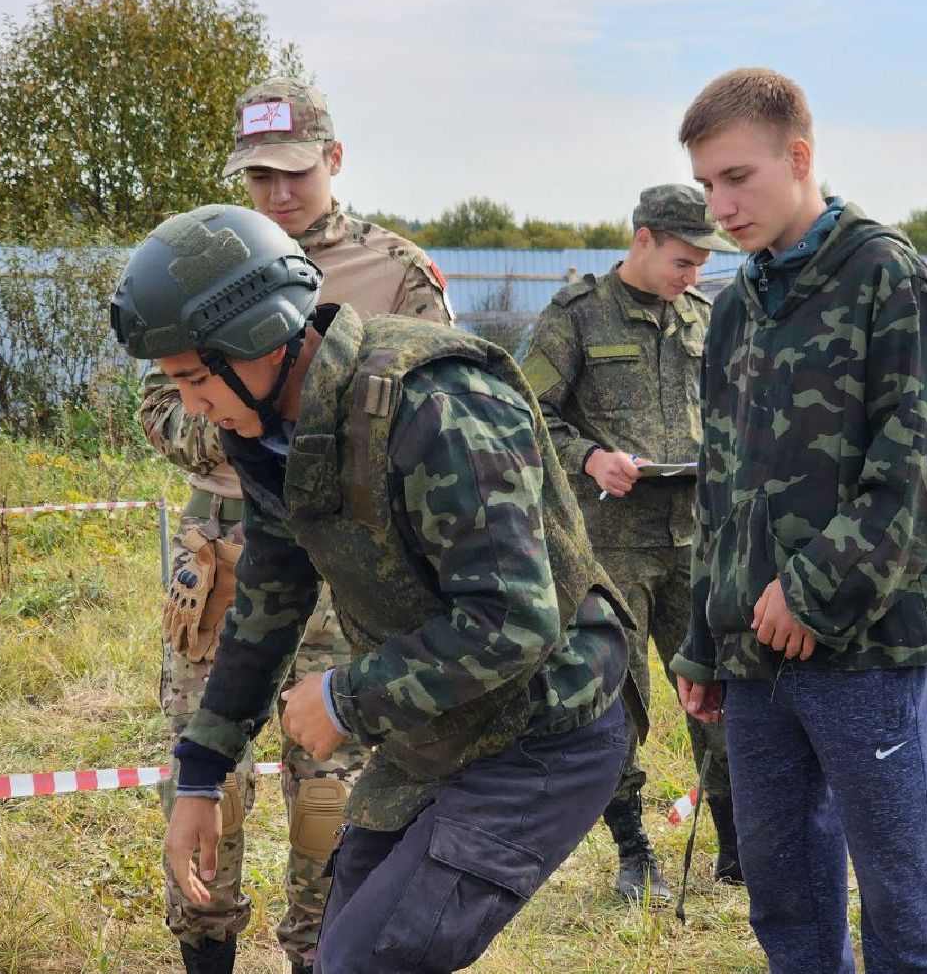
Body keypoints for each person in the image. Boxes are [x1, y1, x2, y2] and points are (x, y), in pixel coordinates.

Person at [111, 203, 643, 974]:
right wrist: (202, 773)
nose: (190, 407)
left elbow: (514, 619)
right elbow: (268, 600)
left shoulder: (437, 406)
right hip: (438, 728)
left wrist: (343, 699)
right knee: (342, 943)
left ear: (261, 339)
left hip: (545, 727)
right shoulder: (273, 433)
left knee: (368, 959)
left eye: (194, 378)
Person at [137, 76, 450, 974]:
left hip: (349, 563)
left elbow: (437, 410)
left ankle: (323, 952)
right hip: (228, 552)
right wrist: (248, 425)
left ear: (334, 160)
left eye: (295, 173)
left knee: (332, 795)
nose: (277, 193)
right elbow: (159, 408)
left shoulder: (397, 273)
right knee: (209, 781)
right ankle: (206, 949)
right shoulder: (198, 265)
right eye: (258, 176)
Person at [669, 67, 927, 972]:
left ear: (798, 158)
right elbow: (720, 492)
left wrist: (810, 593)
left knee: (903, 910)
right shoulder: (735, 309)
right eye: (705, 184)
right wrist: (703, 642)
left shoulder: (887, 278)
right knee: (786, 901)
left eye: (737, 177)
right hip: (754, 661)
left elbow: (920, 473)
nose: (719, 207)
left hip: (865, 651)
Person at [519, 184, 739, 902]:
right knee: (616, 699)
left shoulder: (705, 317)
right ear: (642, 240)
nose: (693, 275)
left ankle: (737, 845)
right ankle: (633, 850)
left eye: (702, 263)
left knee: (722, 687)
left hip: (698, 540)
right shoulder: (577, 316)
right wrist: (590, 459)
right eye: (682, 260)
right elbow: (526, 415)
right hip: (610, 547)